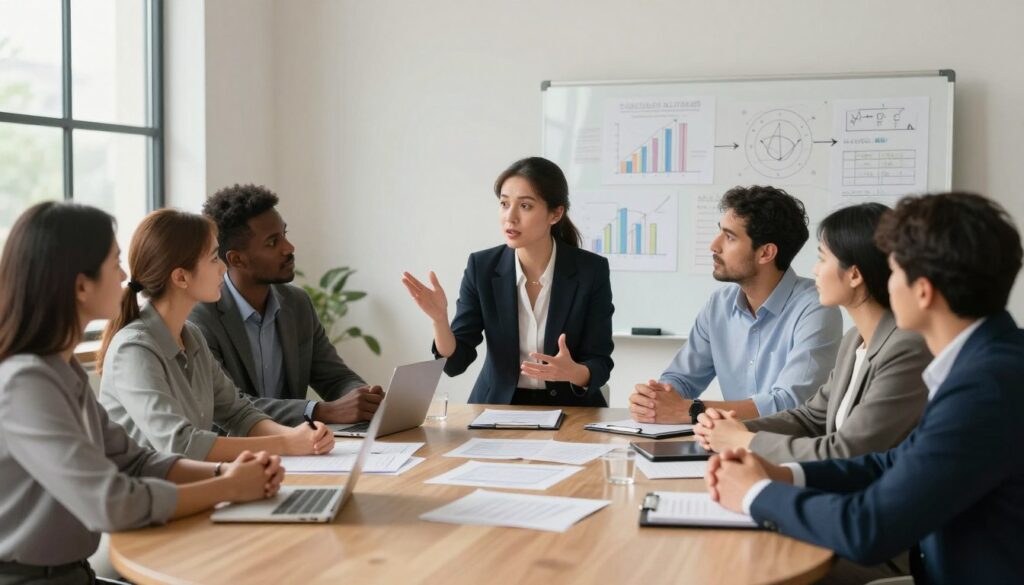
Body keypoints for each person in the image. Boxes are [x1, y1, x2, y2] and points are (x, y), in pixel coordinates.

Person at [706, 192, 1024, 585]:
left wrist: (756, 494)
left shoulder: (986, 387)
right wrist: (784, 476)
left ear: (922, 291)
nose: (885, 284)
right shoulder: (985, 363)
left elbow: (868, 529)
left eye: (892, 270)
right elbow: (889, 463)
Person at [0, 202, 283, 584]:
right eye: (114, 262)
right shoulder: (25, 383)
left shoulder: (61, 370)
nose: (123, 274)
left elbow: (135, 461)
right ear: (80, 285)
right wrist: (228, 486)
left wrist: (225, 470)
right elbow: (112, 503)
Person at [694, 203, 931, 463]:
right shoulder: (855, 340)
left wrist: (743, 440)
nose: (815, 270)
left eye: (822, 258)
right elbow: (811, 417)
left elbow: (846, 451)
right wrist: (731, 428)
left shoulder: (906, 346)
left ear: (854, 275)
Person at [98, 209, 335, 462]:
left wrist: (300, 436)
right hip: (148, 496)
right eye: (213, 258)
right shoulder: (134, 349)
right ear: (181, 277)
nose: (223, 267)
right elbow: (181, 444)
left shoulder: (192, 336)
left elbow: (239, 414)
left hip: (189, 486)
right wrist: (286, 443)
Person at [403, 156, 614, 405]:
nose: (510, 217)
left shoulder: (590, 270)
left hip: (571, 409)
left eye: (525, 206)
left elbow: (599, 362)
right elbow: (455, 363)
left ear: (555, 214)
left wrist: (572, 372)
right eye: (504, 204)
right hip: (497, 407)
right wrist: (440, 321)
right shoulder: (481, 267)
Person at [629, 185, 842, 423]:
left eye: (729, 237)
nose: (714, 245)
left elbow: (789, 402)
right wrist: (654, 399)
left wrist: (690, 410)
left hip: (789, 448)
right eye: (720, 232)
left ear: (765, 253)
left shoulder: (816, 306)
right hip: (727, 444)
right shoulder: (719, 305)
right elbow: (682, 379)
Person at [189, 184, 383, 426]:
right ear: (237, 259)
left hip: (297, 450)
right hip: (235, 454)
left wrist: (365, 398)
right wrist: (319, 411)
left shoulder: (297, 304)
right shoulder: (200, 318)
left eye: (284, 234)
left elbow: (334, 378)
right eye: (272, 242)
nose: (289, 248)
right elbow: (229, 406)